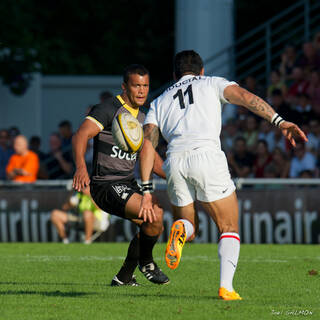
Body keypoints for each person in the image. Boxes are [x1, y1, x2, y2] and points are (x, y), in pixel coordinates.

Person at [139, 50, 308, 300]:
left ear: (175, 75)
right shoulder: (213, 82)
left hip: (174, 161)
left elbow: (147, 146)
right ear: (202, 71)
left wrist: (146, 189)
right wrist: (280, 121)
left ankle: (180, 230)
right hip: (206, 155)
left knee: (190, 227)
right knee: (229, 226)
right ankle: (226, 287)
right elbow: (245, 97)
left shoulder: (159, 101)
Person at [72, 64, 169, 286]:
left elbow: (152, 160)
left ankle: (124, 277)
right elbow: (80, 135)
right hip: (105, 184)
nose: (142, 91)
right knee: (153, 215)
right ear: (125, 86)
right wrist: (80, 167)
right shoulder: (108, 109)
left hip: (127, 183)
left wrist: (177, 178)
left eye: (145, 86)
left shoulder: (146, 117)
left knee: (154, 224)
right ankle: (147, 262)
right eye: (136, 85)